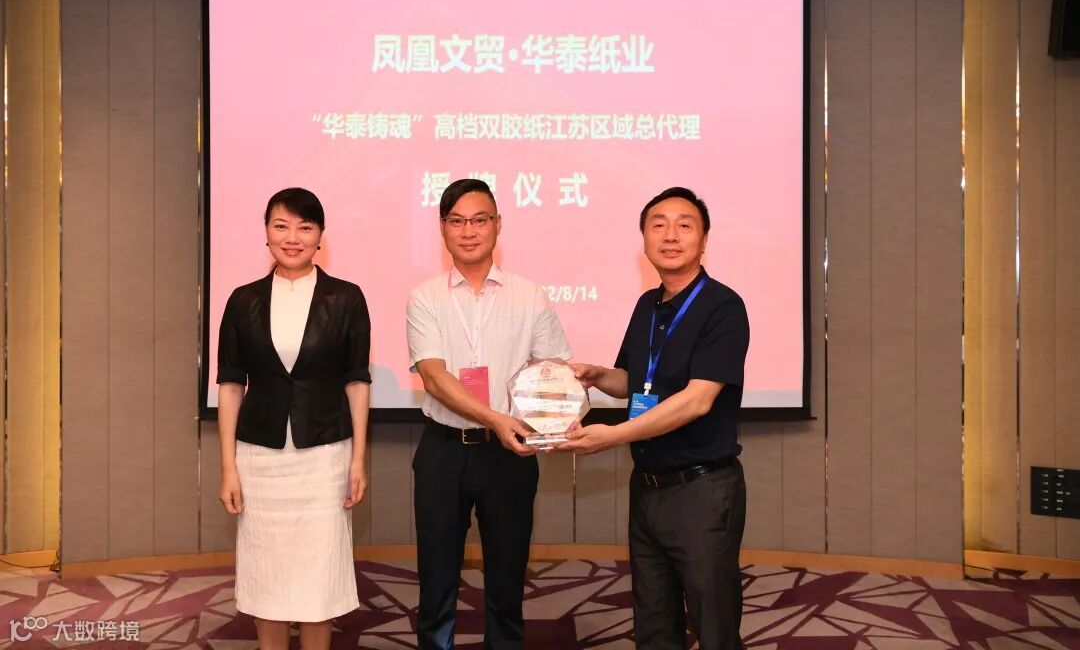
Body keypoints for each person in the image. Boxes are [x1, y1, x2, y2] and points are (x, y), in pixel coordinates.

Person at [560, 186, 750, 650]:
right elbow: (635, 381)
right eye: (657, 225)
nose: (670, 235)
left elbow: (696, 400)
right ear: (643, 238)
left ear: (704, 240)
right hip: (647, 487)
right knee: (654, 623)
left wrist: (613, 436)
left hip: (702, 490)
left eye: (685, 225)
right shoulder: (648, 304)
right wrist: (596, 375)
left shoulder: (723, 307)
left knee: (713, 625)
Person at [406, 178, 571, 650]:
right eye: (457, 221)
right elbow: (434, 377)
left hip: (509, 455)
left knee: (507, 579)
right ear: (442, 228)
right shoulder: (424, 297)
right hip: (444, 450)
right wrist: (495, 418)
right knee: (437, 579)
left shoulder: (530, 295)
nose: (469, 231)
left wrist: (556, 415)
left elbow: (553, 372)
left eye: (480, 219)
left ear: (498, 224)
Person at [216, 187, 370, 650]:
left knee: (318, 579)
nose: (292, 237)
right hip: (260, 458)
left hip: (324, 456)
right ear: (266, 233)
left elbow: (357, 382)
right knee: (267, 572)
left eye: (305, 227)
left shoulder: (345, 298)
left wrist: (358, 459)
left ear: (320, 236)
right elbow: (230, 385)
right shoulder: (242, 300)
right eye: (281, 226)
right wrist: (228, 467)